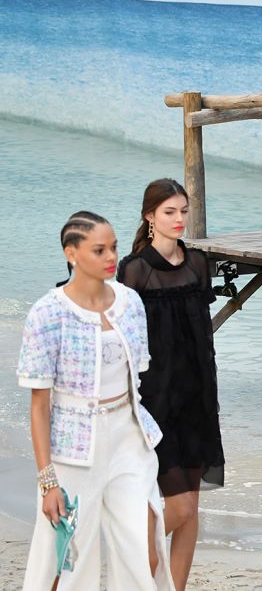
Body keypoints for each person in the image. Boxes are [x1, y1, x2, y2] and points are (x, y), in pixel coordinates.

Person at [18, 211, 172, 589]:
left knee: (139, 551)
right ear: (72, 254)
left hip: (128, 438)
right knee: (70, 560)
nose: (111, 257)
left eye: (115, 248)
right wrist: (47, 482)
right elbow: (40, 406)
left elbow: (138, 379)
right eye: (99, 249)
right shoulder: (47, 314)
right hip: (73, 450)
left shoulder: (130, 302)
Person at [117, 178, 225, 590]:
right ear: (149, 217)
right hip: (153, 405)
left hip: (197, 401)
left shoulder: (198, 264)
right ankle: (133, 563)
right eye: (169, 212)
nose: (179, 219)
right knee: (175, 509)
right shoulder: (134, 270)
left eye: (183, 211)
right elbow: (122, 343)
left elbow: (202, 341)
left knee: (191, 511)